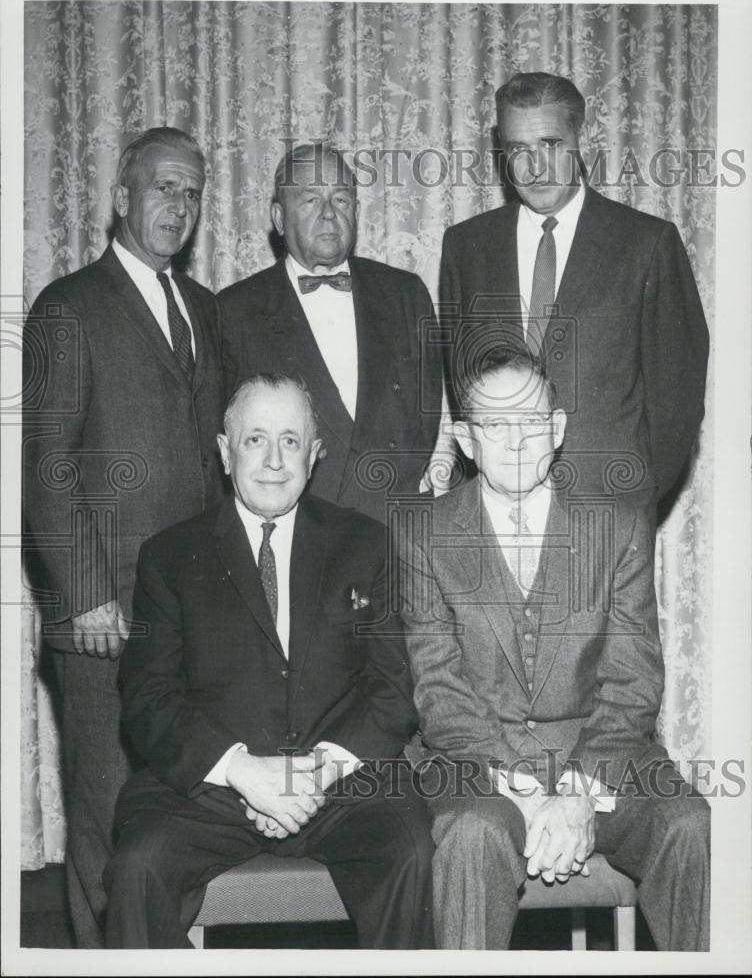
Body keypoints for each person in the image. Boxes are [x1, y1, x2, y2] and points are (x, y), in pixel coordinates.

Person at [104, 374, 435, 949]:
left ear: (316, 453)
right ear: (225, 452)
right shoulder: (169, 555)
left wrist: (319, 769)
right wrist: (244, 771)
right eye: (256, 439)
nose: (275, 460)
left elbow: (392, 686)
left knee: (408, 852)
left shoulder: (367, 545)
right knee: (139, 868)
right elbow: (149, 697)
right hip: (214, 788)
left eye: (291, 440)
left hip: (339, 782)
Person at [399, 347, 710, 950]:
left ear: (558, 429)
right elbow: (439, 693)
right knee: (472, 834)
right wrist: (530, 792)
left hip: (599, 757)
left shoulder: (616, 528)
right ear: (465, 439)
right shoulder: (423, 534)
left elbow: (633, 682)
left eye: (531, 421)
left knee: (690, 825)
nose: (516, 441)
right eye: (494, 424)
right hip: (478, 764)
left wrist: (576, 793)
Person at [22, 127, 226, 947]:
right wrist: (86, 596)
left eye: (191, 192)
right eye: (162, 187)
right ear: (120, 199)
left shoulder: (204, 309)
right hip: (103, 621)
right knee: (106, 820)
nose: (177, 205)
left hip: (190, 619)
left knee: (170, 825)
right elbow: (45, 467)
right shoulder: (68, 306)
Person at [439, 71, 709, 504]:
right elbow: (463, 382)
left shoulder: (646, 243)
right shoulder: (466, 245)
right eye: (518, 149)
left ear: (583, 141)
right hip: (497, 513)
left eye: (550, 145)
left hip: (608, 513)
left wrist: (633, 502)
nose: (535, 167)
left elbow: (677, 399)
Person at [218, 142, 443, 523]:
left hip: (396, 525)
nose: (328, 214)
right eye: (310, 200)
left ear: (356, 211)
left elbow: (426, 416)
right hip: (299, 529)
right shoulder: (235, 310)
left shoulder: (405, 293)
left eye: (341, 199)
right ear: (278, 217)